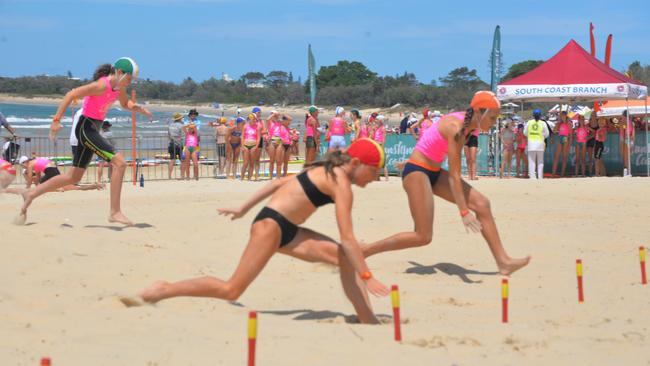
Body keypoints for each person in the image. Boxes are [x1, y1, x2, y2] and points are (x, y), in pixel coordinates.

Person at [135, 139, 391, 324]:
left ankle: (368, 320)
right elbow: (348, 238)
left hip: (286, 228)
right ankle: (165, 289)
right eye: (373, 171)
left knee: (345, 258)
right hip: (271, 226)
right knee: (231, 290)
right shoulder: (340, 184)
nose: (374, 178)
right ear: (356, 163)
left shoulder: (324, 170)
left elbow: (280, 182)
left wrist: (243, 209)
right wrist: (367, 276)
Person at [362, 91, 530, 276]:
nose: (494, 122)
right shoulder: (456, 127)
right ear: (478, 111)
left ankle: (503, 262)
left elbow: (431, 141)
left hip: (432, 172)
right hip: (417, 172)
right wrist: (464, 211)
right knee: (422, 236)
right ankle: (365, 250)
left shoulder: (471, 126)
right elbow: (455, 176)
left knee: (482, 204)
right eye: (492, 117)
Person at [18, 58, 152, 226]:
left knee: (72, 177)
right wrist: (56, 120)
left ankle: (31, 194)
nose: (131, 81)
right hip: (86, 128)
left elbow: (125, 103)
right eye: (129, 78)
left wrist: (137, 108)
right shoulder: (101, 86)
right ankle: (115, 212)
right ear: (119, 72)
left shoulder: (119, 87)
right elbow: (71, 94)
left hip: (92, 129)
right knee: (120, 163)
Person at [525, 109, 550, 180]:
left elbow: (525, 133)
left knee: (531, 162)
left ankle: (532, 177)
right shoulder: (543, 123)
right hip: (540, 144)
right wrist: (542, 136)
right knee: (540, 162)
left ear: (533, 115)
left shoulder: (529, 122)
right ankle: (540, 177)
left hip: (531, 144)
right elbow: (547, 134)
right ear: (540, 116)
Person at [240, 114, 261, 181]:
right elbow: (242, 136)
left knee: (252, 162)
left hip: (253, 146)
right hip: (246, 145)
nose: (255, 120)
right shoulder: (245, 126)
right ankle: (242, 178)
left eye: (255, 119)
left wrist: (256, 146)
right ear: (250, 119)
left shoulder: (257, 127)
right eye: (253, 119)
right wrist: (242, 146)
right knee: (245, 162)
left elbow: (259, 138)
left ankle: (249, 178)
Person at [551, 111, 572, 177]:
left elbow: (570, 134)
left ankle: (562, 173)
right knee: (556, 156)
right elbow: (554, 131)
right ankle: (553, 173)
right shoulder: (559, 123)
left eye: (562, 115)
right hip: (561, 137)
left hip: (565, 137)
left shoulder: (568, 123)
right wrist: (557, 124)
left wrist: (569, 145)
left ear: (565, 116)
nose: (561, 116)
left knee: (564, 157)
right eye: (560, 116)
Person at [370, 115, 389, 181]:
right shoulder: (376, 128)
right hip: (376, 144)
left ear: (380, 121)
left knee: (383, 162)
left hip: (380, 145)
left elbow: (384, 139)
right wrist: (373, 130)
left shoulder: (383, 128)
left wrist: (382, 147)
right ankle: (377, 177)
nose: (376, 121)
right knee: (376, 161)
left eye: (377, 120)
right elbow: (372, 137)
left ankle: (386, 177)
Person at [167, 113, 185, 179]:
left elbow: (168, 135)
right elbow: (183, 135)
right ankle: (182, 176)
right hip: (179, 144)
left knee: (172, 160)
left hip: (172, 144)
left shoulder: (170, 125)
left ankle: (169, 176)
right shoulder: (181, 125)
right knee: (182, 160)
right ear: (180, 119)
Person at [618, 111, 634, 176]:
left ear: (624, 116)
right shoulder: (631, 123)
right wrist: (632, 143)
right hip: (629, 140)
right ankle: (627, 172)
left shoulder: (623, 122)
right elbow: (633, 134)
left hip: (625, 140)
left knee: (625, 158)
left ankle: (627, 172)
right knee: (627, 158)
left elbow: (622, 133)